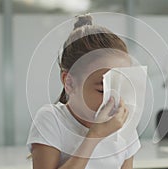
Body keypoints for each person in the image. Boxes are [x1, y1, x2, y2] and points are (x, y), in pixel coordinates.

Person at [27, 14, 140, 169]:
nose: (114, 99)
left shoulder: (123, 126)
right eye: (102, 89)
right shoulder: (51, 120)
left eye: (121, 87)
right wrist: (94, 136)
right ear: (69, 83)